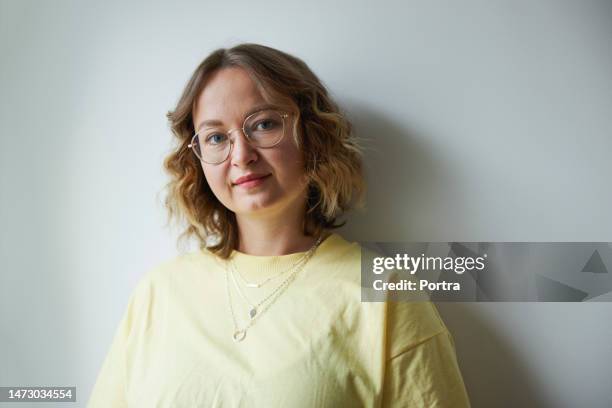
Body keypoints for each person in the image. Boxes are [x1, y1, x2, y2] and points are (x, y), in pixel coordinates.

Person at [88, 43, 471, 407]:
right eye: (217, 137)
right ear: (199, 159)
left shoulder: (386, 292)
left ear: (312, 134)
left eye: (264, 124)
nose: (241, 155)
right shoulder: (158, 293)